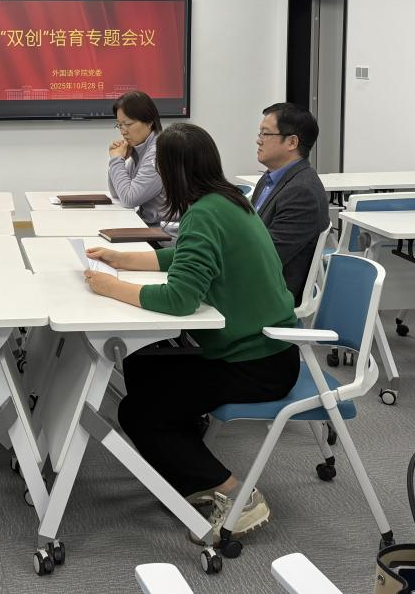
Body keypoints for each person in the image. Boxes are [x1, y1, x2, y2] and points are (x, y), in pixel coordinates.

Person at [83, 122, 298, 541]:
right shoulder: (228, 201)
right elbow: (184, 257)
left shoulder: (203, 213)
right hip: (264, 350)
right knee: (142, 365)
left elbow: (180, 298)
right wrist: (122, 260)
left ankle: (238, 496)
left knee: (139, 412)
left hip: (257, 362)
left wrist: (111, 287)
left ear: (172, 171)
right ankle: (191, 474)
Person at [251, 102, 330, 304]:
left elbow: (266, 257)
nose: (258, 140)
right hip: (253, 281)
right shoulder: (269, 179)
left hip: (269, 296)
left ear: (292, 142)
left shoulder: (302, 192)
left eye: (265, 134)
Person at [107, 90, 168, 227]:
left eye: (128, 124)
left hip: (165, 232)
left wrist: (116, 159)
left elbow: (129, 199)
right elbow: (117, 193)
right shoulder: (141, 148)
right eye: (119, 125)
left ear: (149, 121)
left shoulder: (159, 152)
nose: (123, 131)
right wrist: (119, 160)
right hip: (151, 226)